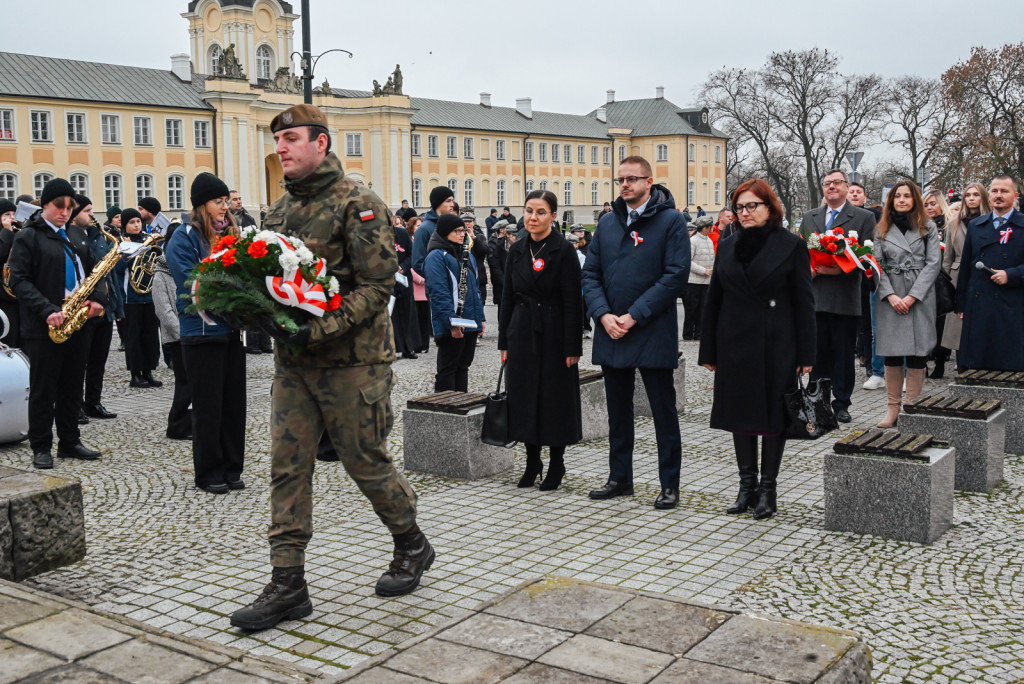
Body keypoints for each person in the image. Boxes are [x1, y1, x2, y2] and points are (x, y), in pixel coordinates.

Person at [229, 104, 430, 632]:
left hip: (353, 363)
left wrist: (317, 329)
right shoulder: (275, 214)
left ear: (321, 143)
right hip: (293, 364)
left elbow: (377, 287)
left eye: (292, 138)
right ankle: (288, 583)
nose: (282, 147)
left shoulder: (358, 203)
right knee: (287, 465)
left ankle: (412, 543)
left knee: (365, 461)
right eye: (278, 140)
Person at [699, 179, 815, 520]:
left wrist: (807, 354)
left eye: (752, 206)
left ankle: (768, 490)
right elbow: (714, 299)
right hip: (734, 341)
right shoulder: (728, 245)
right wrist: (709, 349)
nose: (745, 212)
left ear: (770, 207)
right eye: (739, 207)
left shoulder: (791, 245)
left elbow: (804, 302)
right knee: (740, 415)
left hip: (777, 342)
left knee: (773, 417)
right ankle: (745, 486)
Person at [582, 156, 689, 510]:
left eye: (632, 179)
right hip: (612, 330)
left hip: (652, 329)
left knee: (663, 411)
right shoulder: (608, 223)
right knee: (618, 411)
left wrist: (634, 315)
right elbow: (590, 275)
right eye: (621, 180)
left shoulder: (671, 221)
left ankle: (669, 484)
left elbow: (675, 274)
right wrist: (603, 315)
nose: (625, 184)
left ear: (649, 181)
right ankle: (619, 478)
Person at [7, 178, 105, 469]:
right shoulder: (28, 236)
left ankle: (70, 441)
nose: (65, 212)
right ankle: (41, 446)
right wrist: (46, 309)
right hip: (44, 325)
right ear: (45, 205)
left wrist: (98, 298)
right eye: (59, 206)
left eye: (69, 207)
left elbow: (94, 272)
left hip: (78, 321)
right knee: (43, 388)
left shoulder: (75, 234)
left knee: (73, 385)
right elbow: (18, 280)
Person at [166, 173, 247, 490]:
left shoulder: (231, 233)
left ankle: (231, 468)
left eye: (226, 201)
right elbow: (192, 282)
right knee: (208, 407)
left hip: (230, 332)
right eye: (218, 201)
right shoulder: (183, 238)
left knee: (232, 405)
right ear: (201, 205)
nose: (224, 208)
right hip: (200, 334)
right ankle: (209, 473)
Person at [498, 190, 582, 491]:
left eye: (541, 212)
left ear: (554, 216)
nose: (533, 217)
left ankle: (556, 461)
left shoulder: (564, 250)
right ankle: (532, 461)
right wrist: (504, 342)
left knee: (553, 397)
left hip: (554, 330)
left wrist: (573, 346)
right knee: (522, 396)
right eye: (529, 211)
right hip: (521, 330)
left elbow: (574, 300)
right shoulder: (518, 249)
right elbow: (506, 296)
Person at [800, 169, 876, 423]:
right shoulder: (810, 217)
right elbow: (802, 251)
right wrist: (808, 271)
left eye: (837, 183)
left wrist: (838, 269)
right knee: (817, 352)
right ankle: (817, 401)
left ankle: (841, 402)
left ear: (846, 187)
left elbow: (867, 255)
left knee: (843, 353)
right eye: (827, 183)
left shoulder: (863, 217)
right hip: (816, 295)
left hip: (845, 296)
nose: (832, 187)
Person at [872, 180, 942, 428]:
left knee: (917, 352)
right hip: (890, 294)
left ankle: (912, 407)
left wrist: (913, 296)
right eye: (897, 196)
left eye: (907, 196)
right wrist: (890, 295)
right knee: (892, 352)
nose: (901, 200)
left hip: (919, 295)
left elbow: (934, 264)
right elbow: (876, 265)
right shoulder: (881, 229)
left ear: (915, 200)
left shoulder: (928, 227)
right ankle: (892, 409)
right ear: (891, 200)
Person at [955, 175, 1024, 372]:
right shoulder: (977, 225)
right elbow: (967, 265)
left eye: (1004, 191)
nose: (998, 195)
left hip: (1013, 305)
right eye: (994, 191)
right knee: (978, 363)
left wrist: (1011, 275)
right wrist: (961, 303)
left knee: (1009, 365)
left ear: (1015, 195)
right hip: (980, 304)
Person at [424, 214, 485, 391]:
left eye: (463, 231)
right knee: (448, 368)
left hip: (469, 322)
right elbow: (438, 294)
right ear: (445, 233)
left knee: (463, 366)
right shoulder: (436, 256)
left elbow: (475, 290)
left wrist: (479, 318)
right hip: (452, 324)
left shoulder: (466, 254)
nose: (462, 234)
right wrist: (451, 322)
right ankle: (446, 409)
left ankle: (461, 405)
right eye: (457, 231)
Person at [72, 196, 119, 420]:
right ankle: (76, 404)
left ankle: (94, 402)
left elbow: (108, 275)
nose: (92, 215)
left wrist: (117, 308)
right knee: (79, 361)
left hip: (105, 307)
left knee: (99, 361)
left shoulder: (99, 236)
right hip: (84, 308)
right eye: (87, 211)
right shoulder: (71, 238)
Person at [941, 184, 989, 371]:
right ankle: (961, 364)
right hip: (957, 273)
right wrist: (945, 284)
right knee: (958, 326)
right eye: (967, 195)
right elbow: (948, 256)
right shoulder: (954, 222)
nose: (971, 198)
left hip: (983, 273)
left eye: (976, 194)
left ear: (983, 197)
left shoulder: (991, 221)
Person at [114, 209, 163, 389]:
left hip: (149, 295)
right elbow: (118, 270)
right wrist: (128, 252)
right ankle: (135, 374)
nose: (136, 225)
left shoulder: (147, 241)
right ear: (125, 225)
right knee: (133, 336)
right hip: (131, 298)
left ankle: (149, 371)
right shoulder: (121, 244)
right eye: (132, 222)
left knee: (150, 335)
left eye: (138, 221)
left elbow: (157, 262)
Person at [152, 223, 191, 440]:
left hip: (191, 335)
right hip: (178, 338)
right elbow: (164, 310)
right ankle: (176, 426)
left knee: (194, 383)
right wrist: (182, 332)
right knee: (184, 384)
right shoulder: (161, 274)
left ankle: (190, 424)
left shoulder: (185, 267)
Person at [923, 189, 954, 379]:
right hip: (924, 280)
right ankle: (922, 362)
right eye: (926, 204)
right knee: (924, 323)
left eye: (933, 203)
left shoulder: (949, 226)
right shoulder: (919, 226)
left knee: (941, 322)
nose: (929, 208)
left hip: (942, 278)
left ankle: (940, 362)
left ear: (941, 204)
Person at [683, 215, 715, 341]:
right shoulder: (693, 241)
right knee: (691, 310)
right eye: (710, 226)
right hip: (693, 281)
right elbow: (688, 261)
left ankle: (699, 334)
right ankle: (688, 334)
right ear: (705, 228)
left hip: (706, 281)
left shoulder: (709, 240)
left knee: (703, 310)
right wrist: (704, 271)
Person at [392, 213, 419, 359]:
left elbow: (412, 254)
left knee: (407, 315)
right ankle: (395, 348)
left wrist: (402, 267)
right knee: (392, 316)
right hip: (388, 282)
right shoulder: (378, 237)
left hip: (403, 280)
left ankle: (409, 348)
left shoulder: (402, 234)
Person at [412, 186, 455, 274]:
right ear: (438, 203)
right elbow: (418, 263)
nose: (452, 204)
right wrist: (438, 278)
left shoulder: (450, 224)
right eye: (448, 201)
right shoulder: (424, 229)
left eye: (452, 200)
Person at [407, 216, 431, 353]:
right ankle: (416, 344)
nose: (419, 228)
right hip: (415, 284)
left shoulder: (424, 241)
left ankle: (425, 343)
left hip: (425, 283)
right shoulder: (410, 241)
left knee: (424, 316)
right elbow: (410, 262)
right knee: (414, 317)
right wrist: (418, 277)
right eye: (417, 226)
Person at [0, 199, 21, 347]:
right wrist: (6, 231)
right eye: (6, 214)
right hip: (3, 298)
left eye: (14, 214)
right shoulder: (7, 233)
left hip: (17, 296)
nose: (11, 218)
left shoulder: (18, 232)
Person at [487, 219, 511, 314]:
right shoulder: (493, 243)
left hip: (507, 280)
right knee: (502, 308)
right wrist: (504, 280)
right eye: (507, 228)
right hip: (500, 282)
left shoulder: (508, 242)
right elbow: (494, 265)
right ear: (502, 230)